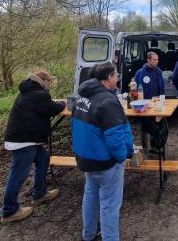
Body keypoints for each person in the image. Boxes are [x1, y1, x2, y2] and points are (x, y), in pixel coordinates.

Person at [72, 63, 133, 241]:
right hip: (106, 162)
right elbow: (115, 136)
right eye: (116, 75)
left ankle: (88, 234)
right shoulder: (108, 101)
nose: (118, 78)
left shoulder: (81, 97)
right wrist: (123, 156)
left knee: (90, 196)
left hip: (86, 159)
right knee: (109, 205)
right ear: (108, 78)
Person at [1, 70, 65, 223]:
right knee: (18, 174)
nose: (50, 85)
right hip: (24, 140)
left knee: (43, 158)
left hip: (24, 138)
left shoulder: (29, 91)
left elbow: (44, 107)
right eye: (49, 82)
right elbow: (53, 109)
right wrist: (63, 103)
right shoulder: (39, 94)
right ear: (44, 81)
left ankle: (40, 194)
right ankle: (9, 211)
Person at [135, 52, 165, 153]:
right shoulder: (140, 72)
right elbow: (136, 88)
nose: (157, 62)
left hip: (156, 103)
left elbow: (161, 87)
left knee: (157, 124)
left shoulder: (159, 71)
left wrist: (162, 100)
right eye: (154, 60)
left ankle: (155, 147)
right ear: (148, 60)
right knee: (145, 126)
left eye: (157, 60)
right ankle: (145, 148)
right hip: (144, 105)